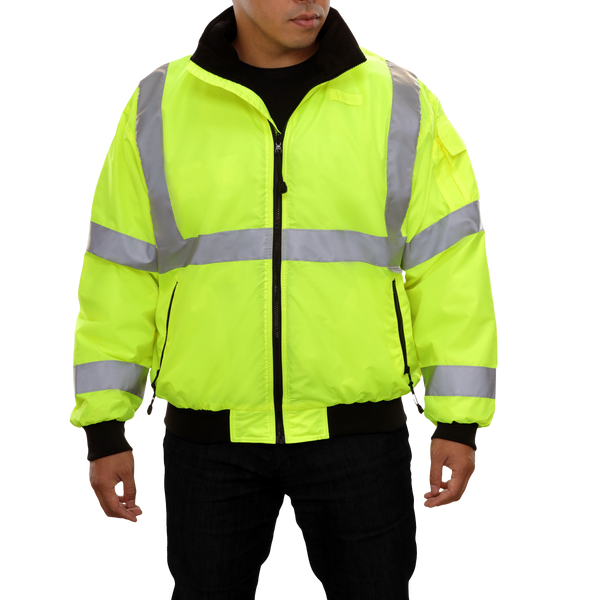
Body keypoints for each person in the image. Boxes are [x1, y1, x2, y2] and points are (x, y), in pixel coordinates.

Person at [70, 1, 500, 598]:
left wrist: (458, 420)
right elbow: (119, 270)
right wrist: (103, 425)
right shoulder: (158, 102)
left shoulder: (402, 98)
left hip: (359, 433)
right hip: (208, 440)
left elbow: (451, 267)